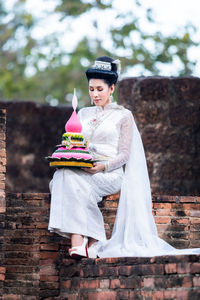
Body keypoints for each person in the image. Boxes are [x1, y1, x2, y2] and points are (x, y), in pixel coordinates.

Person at [48, 56, 200, 259]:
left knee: (71, 180)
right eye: (91, 89)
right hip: (82, 167)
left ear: (111, 89)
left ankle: (83, 240)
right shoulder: (83, 113)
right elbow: (75, 142)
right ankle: (87, 241)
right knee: (61, 176)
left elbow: (125, 155)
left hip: (109, 172)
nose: (95, 94)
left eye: (100, 89)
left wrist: (101, 167)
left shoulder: (123, 115)